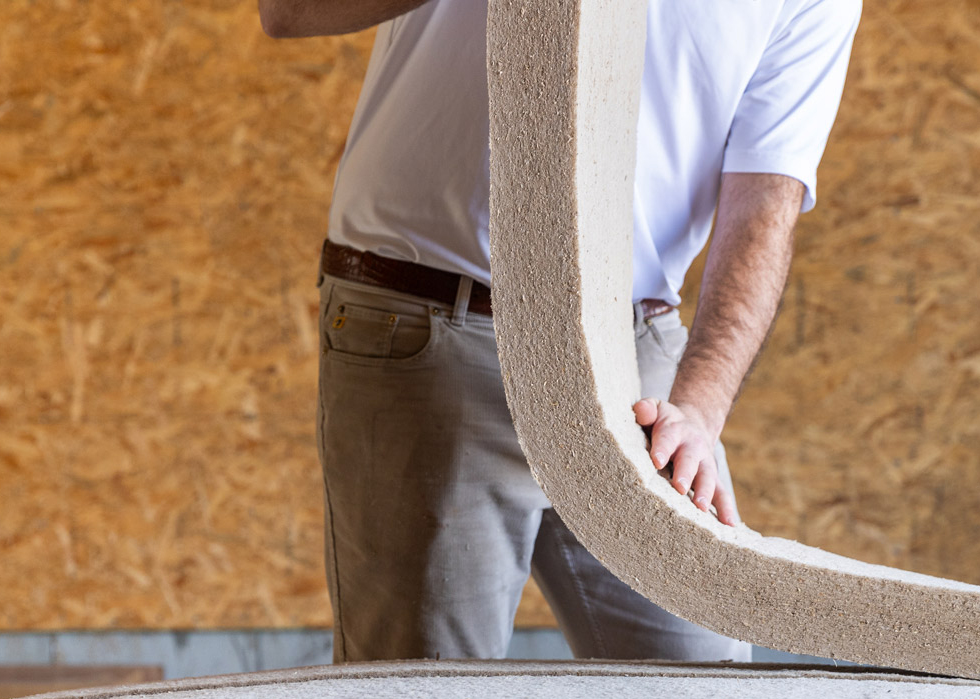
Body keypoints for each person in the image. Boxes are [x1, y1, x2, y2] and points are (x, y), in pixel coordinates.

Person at [259, 0, 861, 664]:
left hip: (636, 374)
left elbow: (764, 208)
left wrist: (700, 410)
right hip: (432, 334)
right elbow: (286, 12)